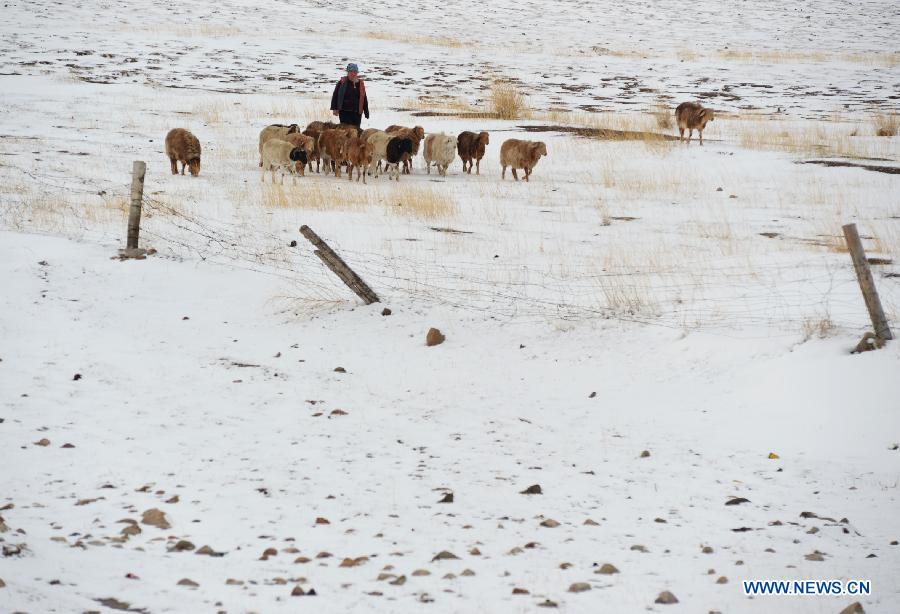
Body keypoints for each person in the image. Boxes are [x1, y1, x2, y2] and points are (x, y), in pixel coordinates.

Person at [330, 63, 369, 127]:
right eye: (351, 72)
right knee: (345, 130)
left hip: (357, 113)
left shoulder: (361, 84)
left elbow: (364, 98)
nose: (353, 74)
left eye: (355, 72)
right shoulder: (342, 82)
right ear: (348, 72)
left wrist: (366, 111)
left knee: (356, 130)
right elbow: (335, 95)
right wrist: (334, 108)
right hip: (344, 112)